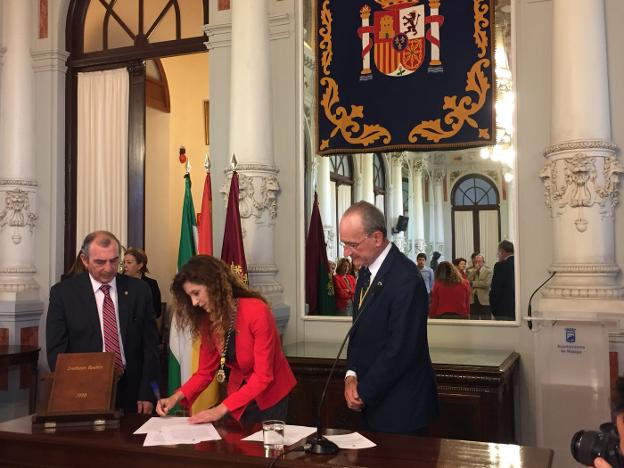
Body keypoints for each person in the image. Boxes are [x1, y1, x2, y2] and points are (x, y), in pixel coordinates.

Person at [156, 255, 296, 424]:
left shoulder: (257, 311)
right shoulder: (208, 319)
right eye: (190, 296)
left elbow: (262, 377)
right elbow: (204, 372)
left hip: (271, 396)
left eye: (196, 293)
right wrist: (175, 398)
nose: (194, 302)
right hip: (239, 393)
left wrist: (220, 409)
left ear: (214, 286)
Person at [339, 201, 438, 434]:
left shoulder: (406, 279)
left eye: (352, 244)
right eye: (344, 244)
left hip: (401, 409)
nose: (346, 252)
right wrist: (350, 376)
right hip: (372, 401)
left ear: (376, 237)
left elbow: (401, 350)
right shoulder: (365, 270)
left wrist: (363, 392)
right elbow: (358, 333)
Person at [46, 231, 160, 414]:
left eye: (114, 261)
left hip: (132, 390)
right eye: (100, 262)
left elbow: (150, 346)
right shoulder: (64, 294)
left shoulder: (139, 290)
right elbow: (56, 350)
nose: (108, 268)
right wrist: (74, 391)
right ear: (84, 260)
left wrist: (147, 393)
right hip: (84, 389)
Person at [124, 247, 162, 319]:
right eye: (124, 262)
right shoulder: (120, 283)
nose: (125, 265)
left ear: (140, 265)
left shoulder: (151, 284)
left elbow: (157, 311)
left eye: (129, 262)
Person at [490, 240, 515, 320]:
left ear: (502, 251)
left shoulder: (500, 265)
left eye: (498, 252)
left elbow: (496, 289)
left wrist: (493, 308)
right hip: (517, 309)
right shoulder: (519, 263)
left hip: (502, 309)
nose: (498, 255)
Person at [467, 254, 492, 320]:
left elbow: (486, 284)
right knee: (473, 319)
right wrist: (474, 270)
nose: (477, 263)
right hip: (473, 299)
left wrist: (473, 283)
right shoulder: (470, 271)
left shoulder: (488, 271)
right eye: (476, 261)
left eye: (479, 261)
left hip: (484, 299)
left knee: (486, 319)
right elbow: (468, 281)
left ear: (483, 262)